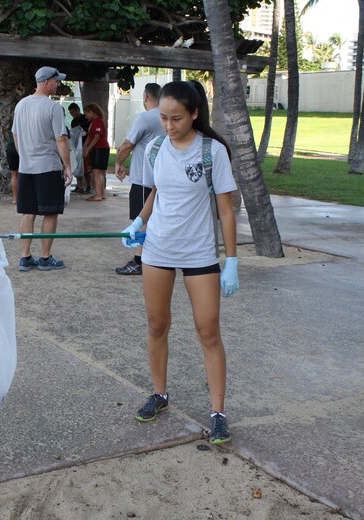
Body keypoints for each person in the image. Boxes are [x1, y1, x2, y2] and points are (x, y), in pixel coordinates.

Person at [122, 81, 239, 445]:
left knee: (208, 332)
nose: (169, 126)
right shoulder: (156, 148)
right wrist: (139, 222)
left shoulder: (212, 152)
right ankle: (159, 393)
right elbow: (159, 192)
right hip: (157, 250)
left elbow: (226, 209)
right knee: (157, 326)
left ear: (194, 114)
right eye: (163, 118)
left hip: (199, 254)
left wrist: (231, 260)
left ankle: (218, 413)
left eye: (176, 118)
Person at [12, 66, 72, 272]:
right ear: (47, 82)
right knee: (50, 212)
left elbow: (15, 135)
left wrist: (25, 155)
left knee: (28, 212)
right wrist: (67, 166)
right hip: (48, 166)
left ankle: (25, 257)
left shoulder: (21, 105)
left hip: (26, 167)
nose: (58, 84)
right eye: (56, 81)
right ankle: (45, 258)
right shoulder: (53, 107)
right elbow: (61, 139)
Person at [114, 83, 164, 275]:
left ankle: (140, 260)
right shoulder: (166, 117)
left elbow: (127, 145)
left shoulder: (145, 117)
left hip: (144, 179)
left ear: (145, 98)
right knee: (151, 219)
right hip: (160, 178)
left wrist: (119, 163)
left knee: (141, 219)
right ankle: (150, 257)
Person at [82, 103, 109, 201]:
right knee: (99, 172)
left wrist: (88, 148)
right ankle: (101, 194)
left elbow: (96, 137)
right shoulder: (93, 123)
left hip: (100, 148)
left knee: (96, 172)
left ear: (91, 112)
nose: (86, 116)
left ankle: (98, 194)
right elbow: (90, 137)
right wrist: (84, 146)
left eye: (86, 114)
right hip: (100, 148)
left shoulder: (98, 122)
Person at [69, 102, 91, 193]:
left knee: (85, 167)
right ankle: (79, 186)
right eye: (71, 113)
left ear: (78, 110)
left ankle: (89, 185)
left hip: (85, 145)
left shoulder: (85, 119)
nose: (72, 114)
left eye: (73, 112)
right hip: (76, 146)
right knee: (78, 166)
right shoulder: (73, 122)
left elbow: (89, 132)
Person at [6, 131, 20, 204]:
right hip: (22, 146)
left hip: (11, 146)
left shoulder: (16, 121)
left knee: (14, 175)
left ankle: (15, 199)